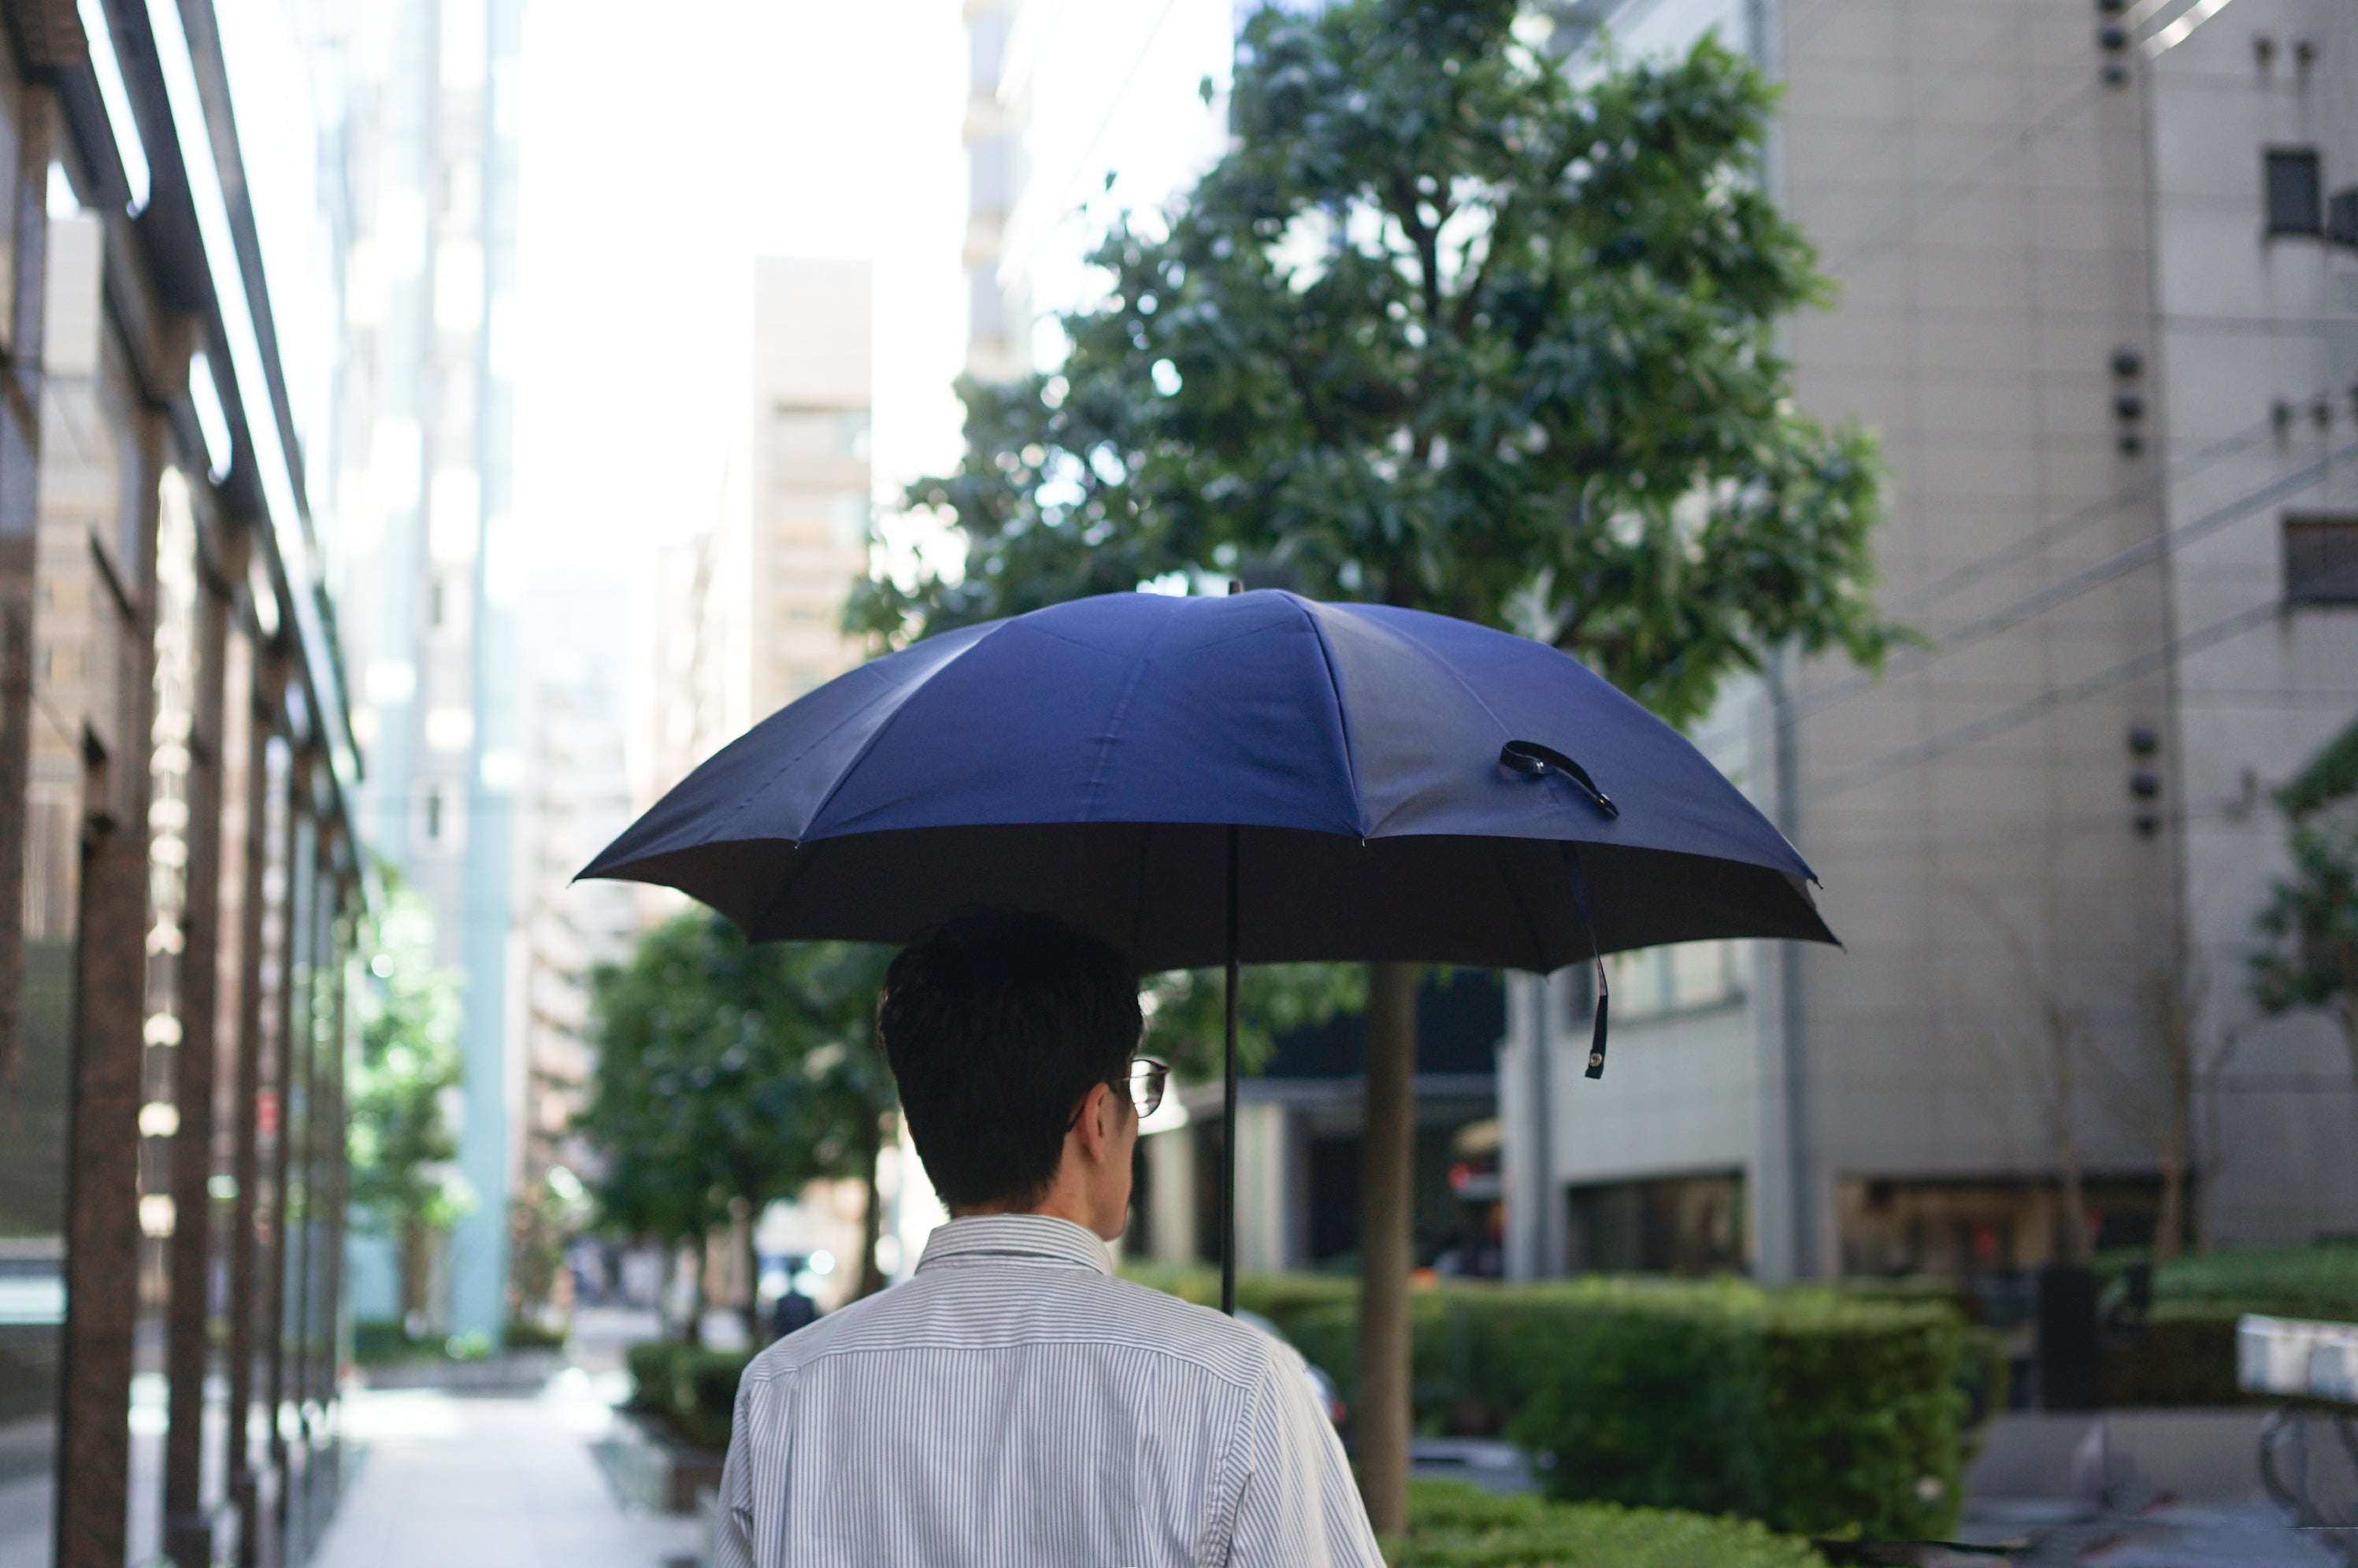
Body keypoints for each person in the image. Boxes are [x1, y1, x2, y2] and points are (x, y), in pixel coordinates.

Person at [712, 910, 1382, 1567]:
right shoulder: (1238, 1381)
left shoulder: (784, 1390)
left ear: (919, 1131)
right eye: (1136, 1090)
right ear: (1096, 1117)